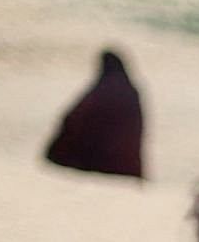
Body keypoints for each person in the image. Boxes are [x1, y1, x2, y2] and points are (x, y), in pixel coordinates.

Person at [43, 48, 145, 180]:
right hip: (124, 162)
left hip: (101, 159)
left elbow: (76, 117)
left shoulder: (102, 89)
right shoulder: (129, 90)